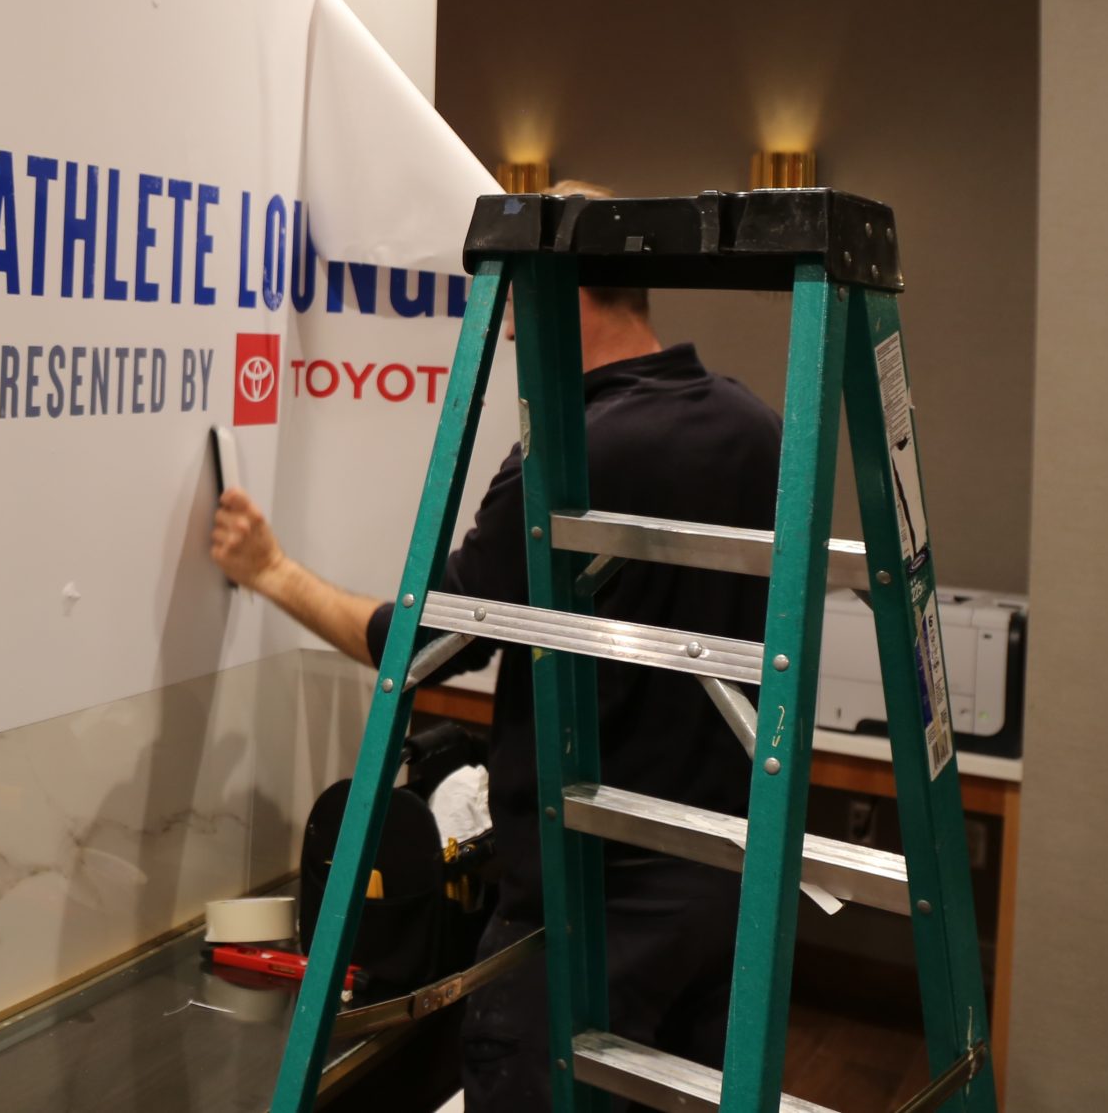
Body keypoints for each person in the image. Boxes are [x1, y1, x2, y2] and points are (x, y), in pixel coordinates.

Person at [208, 182, 781, 1108]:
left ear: (563, 293)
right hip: (723, 894)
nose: (506, 331)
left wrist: (272, 571)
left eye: (514, 301)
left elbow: (429, 643)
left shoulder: (576, 450)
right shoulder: (754, 427)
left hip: (585, 909)